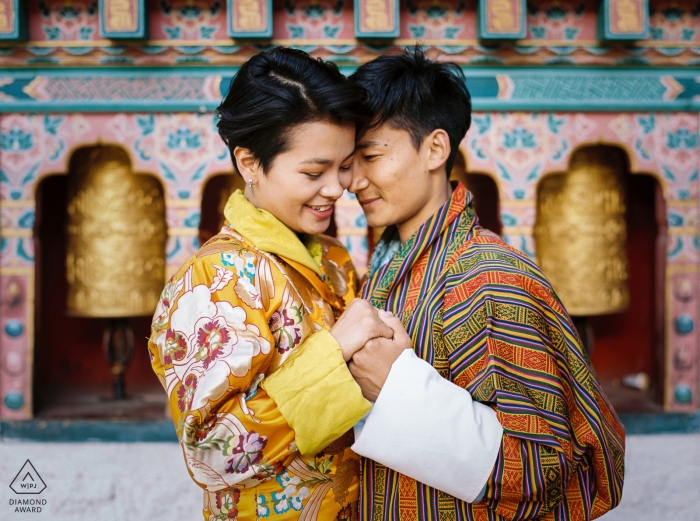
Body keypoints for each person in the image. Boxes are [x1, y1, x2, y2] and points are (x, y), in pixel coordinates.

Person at [334, 47, 626, 520]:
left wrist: (398, 387)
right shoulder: (388, 265)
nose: (353, 180)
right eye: (352, 161)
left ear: (435, 149)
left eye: (370, 155)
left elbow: (541, 468)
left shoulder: (487, 279)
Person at [148, 47, 393, 521]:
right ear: (250, 163)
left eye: (343, 166)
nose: (336, 187)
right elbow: (209, 455)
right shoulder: (214, 279)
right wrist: (333, 353)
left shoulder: (335, 262)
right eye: (313, 172)